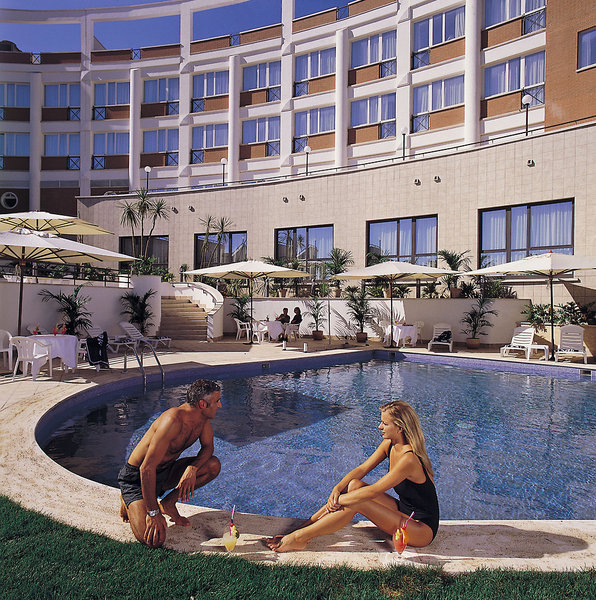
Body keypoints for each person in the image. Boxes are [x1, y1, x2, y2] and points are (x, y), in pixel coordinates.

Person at [266, 400, 439, 553]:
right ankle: (301, 530)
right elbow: (362, 468)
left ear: (400, 428)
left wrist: (340, 500)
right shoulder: (390, 444)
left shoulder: (409, 459)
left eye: (385, 424)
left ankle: (299, 538)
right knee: (354, 485)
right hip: (404, 511)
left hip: (421, 529)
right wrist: (337, 489)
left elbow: (374, 491)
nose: (379, 427)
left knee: (358, 501)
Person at [118, 379, 222, 548]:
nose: (220, 405)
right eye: (217, 401)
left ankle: (168, 503)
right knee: (154, 540)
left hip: (165, 473)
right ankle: (128, 498)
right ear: (202, 404)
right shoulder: (172, 420)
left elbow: (208, 448)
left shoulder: (202, 420)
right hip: (137, 479)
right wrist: (153, 513)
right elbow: (146, 468)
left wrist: (192, 468)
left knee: (213, 465)